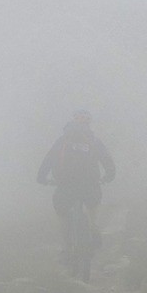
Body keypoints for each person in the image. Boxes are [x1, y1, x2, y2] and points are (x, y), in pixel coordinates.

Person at [36, 110, 116, 264]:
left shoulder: (62, 141)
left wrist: (42, 178)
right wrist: (108, 176)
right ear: (88, 124)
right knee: (92, 207)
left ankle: (66, 247)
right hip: (90, 185)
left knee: (62, 214)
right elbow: (107, 161)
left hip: (65, 185)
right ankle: (93, 227)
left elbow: (48, 159)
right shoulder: (93, 140)